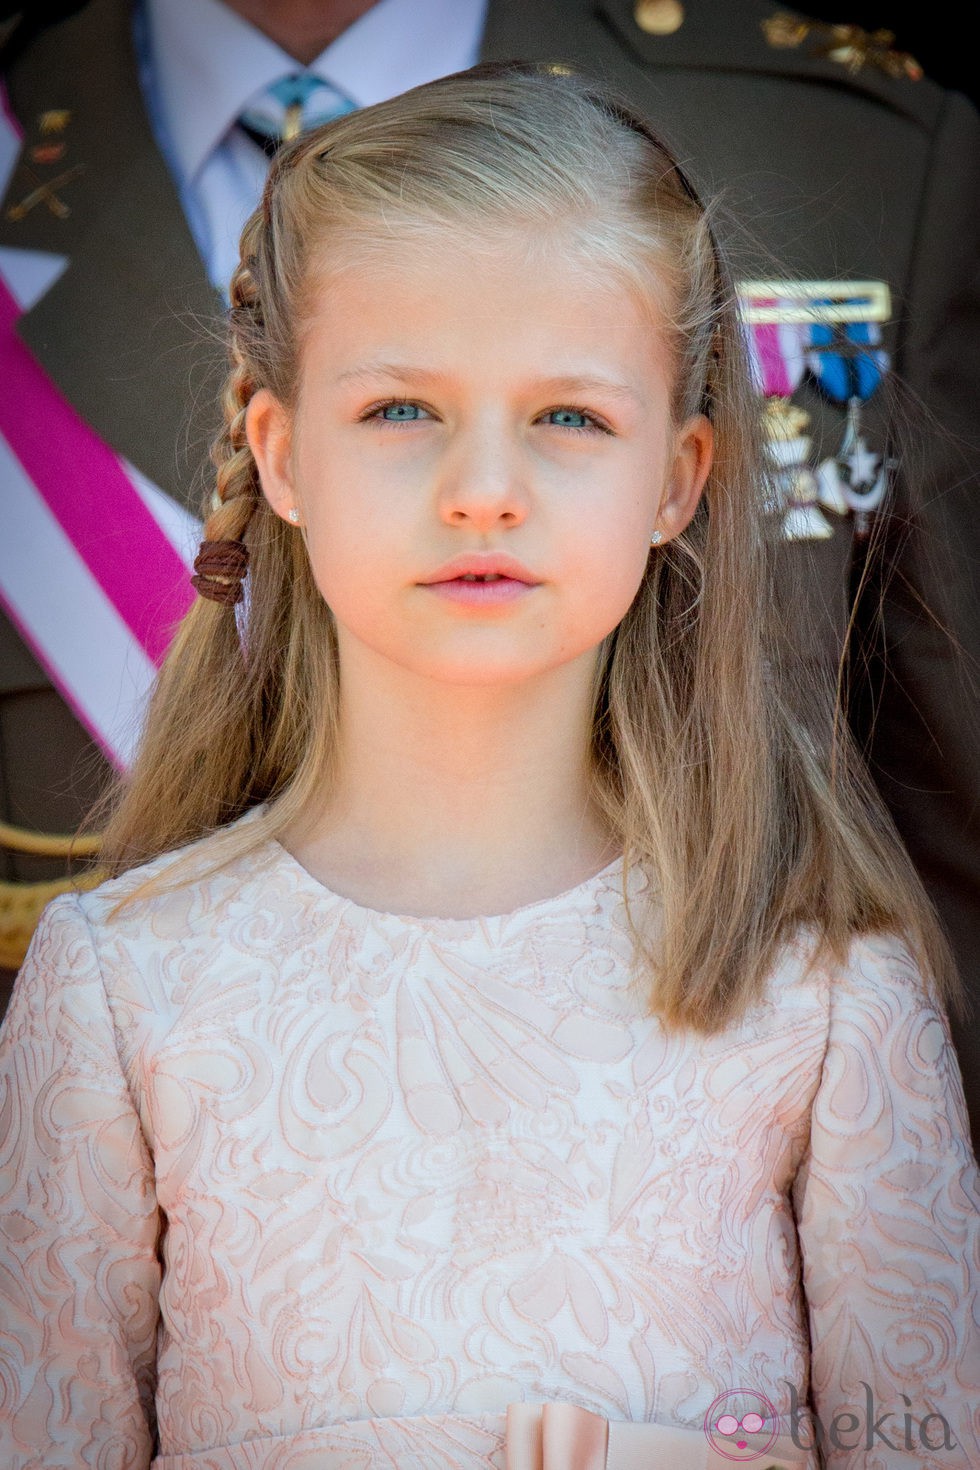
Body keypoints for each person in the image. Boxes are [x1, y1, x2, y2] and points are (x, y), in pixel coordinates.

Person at [1, 65, 977, 1470]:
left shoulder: (822, 995)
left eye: (570, 417)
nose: (484, 486)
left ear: (678, 478)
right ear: (279, 454)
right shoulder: (118, 986)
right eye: (401, 408)